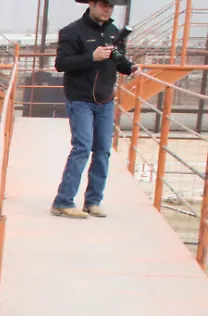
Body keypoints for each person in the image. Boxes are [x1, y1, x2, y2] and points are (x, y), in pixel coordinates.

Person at [50, 0, 139, 219]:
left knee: (103, 150)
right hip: (80, 99)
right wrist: (91, 56)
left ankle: (93, 201)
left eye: (111, 6)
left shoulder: (113, 31)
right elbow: (61, 63)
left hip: (105, 99)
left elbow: (117, 60)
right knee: (82, 147)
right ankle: (63, 201)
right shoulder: (72, 31)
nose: (108, 9)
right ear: (92, 4)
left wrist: (129, 67)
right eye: (103, 5)